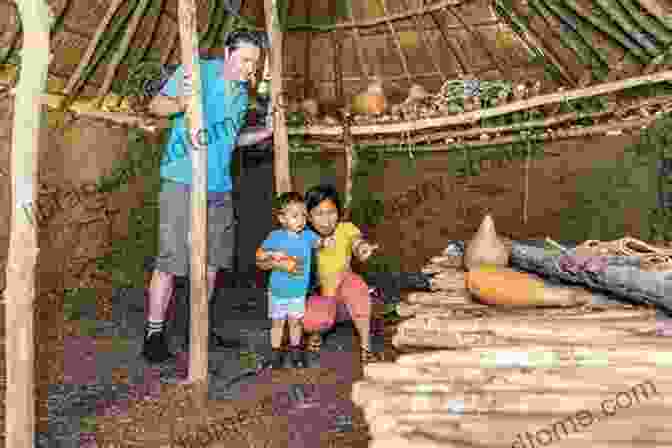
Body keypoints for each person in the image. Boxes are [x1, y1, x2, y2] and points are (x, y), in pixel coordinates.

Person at [142, 31, 272, 364]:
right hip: (181, 179)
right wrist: (182, 104)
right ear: (227, 54)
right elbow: (155, 105)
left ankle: (196, 328)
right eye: (245, 60)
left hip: (218, 186)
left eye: (254, 63)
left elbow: (229, 141)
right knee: (170, 260)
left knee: (213, 263)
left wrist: (263, 134)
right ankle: (154, 334)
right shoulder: (197, 70)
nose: (250, 68)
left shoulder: (242, 95)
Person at [301, 184, 385, 365]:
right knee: (313, 319)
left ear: (339, 213)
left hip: (347, 302)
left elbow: (357, 242)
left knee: (355, 284)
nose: (326, 220)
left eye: (331, 212)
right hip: (322, 300)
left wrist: (362, 249)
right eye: (319, 213)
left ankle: (366, 347)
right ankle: (317, 331)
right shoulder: (305, 238)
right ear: (308, 216)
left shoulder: (346, 229)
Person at [255, 192, 326, 368]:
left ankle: (296, 356)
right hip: (278, 291)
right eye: (294, 216)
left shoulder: (308, 236)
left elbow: (321, 242)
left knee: (295, 323)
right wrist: (272, 254)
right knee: (277, 324)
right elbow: (259, 255)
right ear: (282, 218)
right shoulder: (275, 237)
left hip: (298, 292)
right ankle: (275, 357)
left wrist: (327, 241)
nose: (301, 219)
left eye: (303, 215)